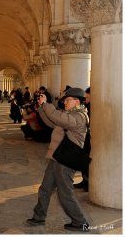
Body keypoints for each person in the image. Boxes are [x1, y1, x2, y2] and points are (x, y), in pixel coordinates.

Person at [26, 88, 90, 232]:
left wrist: (47, 104)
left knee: (65, 193)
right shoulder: (69, 114)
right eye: (65, 100)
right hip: (57, 157)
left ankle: (81, 222)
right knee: (45, 189)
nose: (65, 102)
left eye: (68, 100)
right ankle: (39, 217)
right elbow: (52, 122)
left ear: (77, 101)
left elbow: (59, 118)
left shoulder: (79, 116)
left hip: (65, 161)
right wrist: (42, 107)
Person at [73, 87, 91, 191]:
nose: (86, 99)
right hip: (85, 137)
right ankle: (84, 181)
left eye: (87, 97)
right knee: (84, 161)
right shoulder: (86, 106)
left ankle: (87, 182)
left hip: (88, 138)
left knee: (86, 161)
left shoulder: (93, 107)